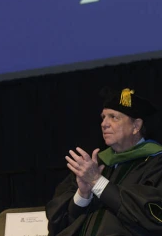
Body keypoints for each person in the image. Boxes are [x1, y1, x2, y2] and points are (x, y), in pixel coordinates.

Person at [46, 87, 162, 235]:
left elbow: (151, 215)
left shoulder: (156, 163)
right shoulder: (95, 163)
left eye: (114, 117)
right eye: (103, 117)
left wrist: (98, 182)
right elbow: (59, 221)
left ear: (136, 126)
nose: (104, 124)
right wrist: (83, 194)